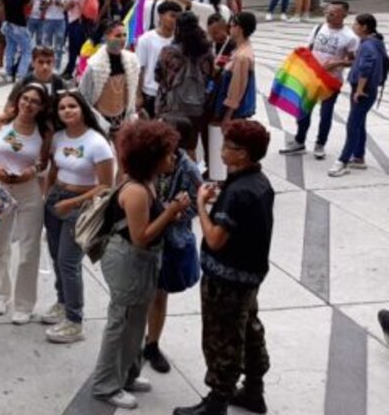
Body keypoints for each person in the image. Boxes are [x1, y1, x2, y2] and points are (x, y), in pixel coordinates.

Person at [174, 120, 275, 415]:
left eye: (229, 146)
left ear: (243, 153)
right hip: (250, 275)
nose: (222, 150)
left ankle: (217, 400)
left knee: (222, 337)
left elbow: (216, 239)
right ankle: (254, 390)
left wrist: (202, 206)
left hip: (227, 279)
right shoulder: (258, 182)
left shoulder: (239, 191)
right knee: (249, 330)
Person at [89, 120, 191, 409]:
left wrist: (170, 214)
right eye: (169, 153)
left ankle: (128, 374)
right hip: (129, 261)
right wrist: (171, 211)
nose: (174, 158)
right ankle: (106, 385)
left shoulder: (148, 181)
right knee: (121, 323)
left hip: (142, 261)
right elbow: (141, 237)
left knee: (135, 322)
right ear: (152, 157)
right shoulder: (135, 190)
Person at [43, 90, 115, 344]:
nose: (67, 111)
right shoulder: (59, 137)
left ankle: (75, 320)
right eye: (62, 108)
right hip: (55, 202)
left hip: (80, 208)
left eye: (72, 106)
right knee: (55, 257)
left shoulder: (97, 143)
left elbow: (106, 185)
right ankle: (63, 302)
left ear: (83, 108)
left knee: (68, 262)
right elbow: (54, 169)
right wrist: (49, 194)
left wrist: (71, 200)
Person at [0, 82, 52, 325]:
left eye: (35, 101)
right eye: (25, 99)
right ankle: (0, 294)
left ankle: (24, 304)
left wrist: (31, 172)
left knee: (29, 249)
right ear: (18, 99)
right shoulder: (0, 122)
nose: (28, 104)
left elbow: (44, 164)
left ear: (42, 106)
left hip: (29, 192)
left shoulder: (44, 131)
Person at [143, 115, 203, 376]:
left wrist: (177, 214)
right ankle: (132, 339)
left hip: (169, 240)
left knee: (158, 293)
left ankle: (152, 343)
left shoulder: (188, 168)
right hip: (142, 234)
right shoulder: (145, 157)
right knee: (136, 292)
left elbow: (198, 203)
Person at [282, 1, 358, 159]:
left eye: (333, 13)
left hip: (331, 80)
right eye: (327, 12)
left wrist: (337, 63)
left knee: (326, 114)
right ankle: (299, 140)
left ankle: (320, 144)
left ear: (344, 15)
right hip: (311, 78)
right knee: (303, 110)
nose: (329, 15)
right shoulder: (318, 28)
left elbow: (353, 61)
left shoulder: (350, 37)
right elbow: (309, 49)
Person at [329, 13, 387, 177]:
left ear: (364, 27)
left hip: (364, 91)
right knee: (359, 122)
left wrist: (360, 90)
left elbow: (365, 68)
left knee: (352, 125)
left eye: (356, 24)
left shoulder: (368, 45)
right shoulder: (374, 42)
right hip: (367, 89)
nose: (353, 26)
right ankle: (359, 156)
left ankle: (343, 161)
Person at [156, 11, 214, 161]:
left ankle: (171, 181)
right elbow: (211, 76)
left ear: (178, 28)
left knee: (170, 147)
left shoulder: (169, 51)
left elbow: (158, 76)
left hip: (173, 107)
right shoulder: (206, 50)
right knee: (190, 148)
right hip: (197, 107)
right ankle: (193, 180)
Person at [214, 13, 257, 134]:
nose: (229, 28)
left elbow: (237, 88)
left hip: (234, 112)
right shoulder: (238, 47)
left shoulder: (242, 57)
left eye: (232, 25)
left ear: (239, 28)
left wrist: (228, 115)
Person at [136, 0, 180, 119]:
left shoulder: (179, 41)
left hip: (172, 94)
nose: (175, 20)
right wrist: (138, 95)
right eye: (172, 16)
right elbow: (140, 68)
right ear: (160, 16)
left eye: (178, 17)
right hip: (150, 92)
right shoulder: (146, 39)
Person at [0, 0, 34, 80]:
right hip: (19, 24)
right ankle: (21, 74)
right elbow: (29, 4)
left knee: (10, 48)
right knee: (27, 50)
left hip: (7, 23)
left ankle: (9, 73)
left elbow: (1, 6)